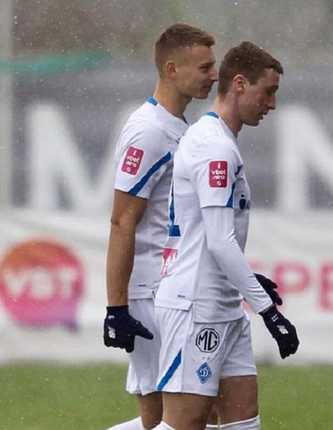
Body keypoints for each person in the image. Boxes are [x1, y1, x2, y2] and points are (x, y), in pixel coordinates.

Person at [152, 42, 299, 430]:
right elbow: (218, 240)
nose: (272, 104)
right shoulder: (214, 147)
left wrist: (247, 285)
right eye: (267, 92)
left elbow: (214, 237)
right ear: (238, 84)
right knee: (186, 424)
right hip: (195, 305)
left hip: (224, 304)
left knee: (243, 420)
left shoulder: (219, 141)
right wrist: (268, 310)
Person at [103, 23, 217, 430]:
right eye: (204, 67)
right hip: (151, 294)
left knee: (195, 412)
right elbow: (122, 220)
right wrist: (117, 307)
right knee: (162, 417)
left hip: (174, 287)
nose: (213, 74)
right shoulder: (149, 132)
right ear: (172, 69)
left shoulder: (178, 127)